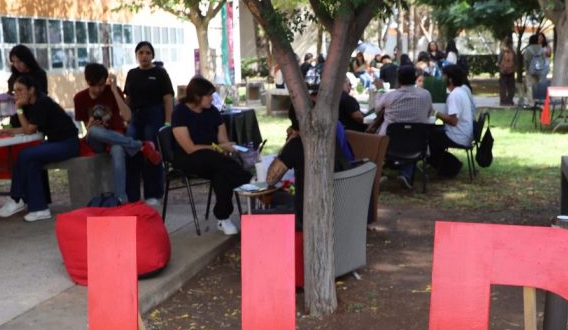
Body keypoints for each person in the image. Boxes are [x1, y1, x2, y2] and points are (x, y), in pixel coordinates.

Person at [168, 77, 250, 235]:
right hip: (187, 158)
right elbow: (189, 148)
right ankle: (248, 181)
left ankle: (223, 217)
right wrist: (218, 148)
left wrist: (227, 147)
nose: (212, 98)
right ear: (197, 96)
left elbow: (222, 140)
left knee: (221, 171)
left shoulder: (212, 111)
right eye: (209, 95)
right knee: (215, 160)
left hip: (213, 158)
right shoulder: (180, 113)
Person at [0, 73, 80, 222]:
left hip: (68, 144)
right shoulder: (31, 105)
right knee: (32, 163)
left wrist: (18, 108)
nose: (17, 94)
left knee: (24, 155)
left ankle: (16, 198)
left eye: (20, 90)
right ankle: (39, 209)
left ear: (31, 90)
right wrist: (10, 131)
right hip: (55, 143)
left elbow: (29, 130)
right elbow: (29, 127)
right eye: (15, 91)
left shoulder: (42, 102)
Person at [75, 62, 160, 205]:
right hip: (96, 140)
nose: (97, 89)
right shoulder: (80, 98)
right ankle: (139, 145)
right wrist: (89, 126)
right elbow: (88, 129)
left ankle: (121, 199)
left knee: (118, 149)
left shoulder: (112, 91)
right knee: (95, 131)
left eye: (101, 85)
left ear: (106, 81)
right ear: (87, 82)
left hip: (116, 137)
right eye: (93, 85)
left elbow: (128, 117)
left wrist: (114, 91)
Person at [264, 101, 353, 229]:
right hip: (338, 210)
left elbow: (271, 179)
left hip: (307, 217)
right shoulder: (331, 140)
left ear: (294, 124)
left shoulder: (296, 145)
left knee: (275, 200)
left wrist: (289, 142)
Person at [123, 40, 173, 205]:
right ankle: (132, 196)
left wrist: (168, 122)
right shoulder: (131, 73)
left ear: (152, 55)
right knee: (131, 150)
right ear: (136, 55)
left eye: (147, 53)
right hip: (135, 117)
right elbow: (127, 98)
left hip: (154, 115)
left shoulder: (160, 73)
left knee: (151, 152)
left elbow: (168, 99)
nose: (144, 56)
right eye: (141, 53)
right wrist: (125, 118)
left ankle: (153, 193)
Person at [371, 64, 433, 189]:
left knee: (383, 136)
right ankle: (406, 174)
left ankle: (380, 173)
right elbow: (429, 113)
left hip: (389, 143)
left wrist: (381, 90)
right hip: (417, 144)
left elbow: (377, 109)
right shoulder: (426, 95)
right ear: (415, 78)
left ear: (398, 79)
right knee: (410, 137)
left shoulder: (390, 96)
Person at [430, 64, 475, 175]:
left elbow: (453, 121)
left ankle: (451, 166)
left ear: (450, 79)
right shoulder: (461, 91)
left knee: (427, 137)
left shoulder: (454, 95)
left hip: (457, 136)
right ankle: (445, 165)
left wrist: (435, 113)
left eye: (443, 76)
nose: (442, 79)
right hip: (464, 134)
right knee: (433, 133)